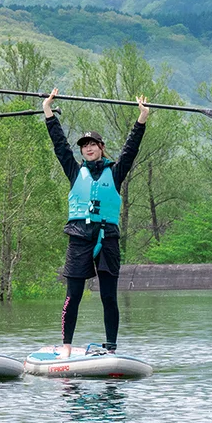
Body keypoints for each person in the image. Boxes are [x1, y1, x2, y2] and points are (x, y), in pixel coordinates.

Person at [42, 88, 148, 358]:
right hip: (79, 237)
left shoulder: (116, 170)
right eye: (84, 145)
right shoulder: (74, 170)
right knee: (73, 295)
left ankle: (111, 347)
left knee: (109, 297)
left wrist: (141, 119)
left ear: (101, 147)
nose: (87, 147)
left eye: (92, 144)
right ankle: (66, 347)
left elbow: (131, 148)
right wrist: (48, 113)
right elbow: (60, 146)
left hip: (108, 238)